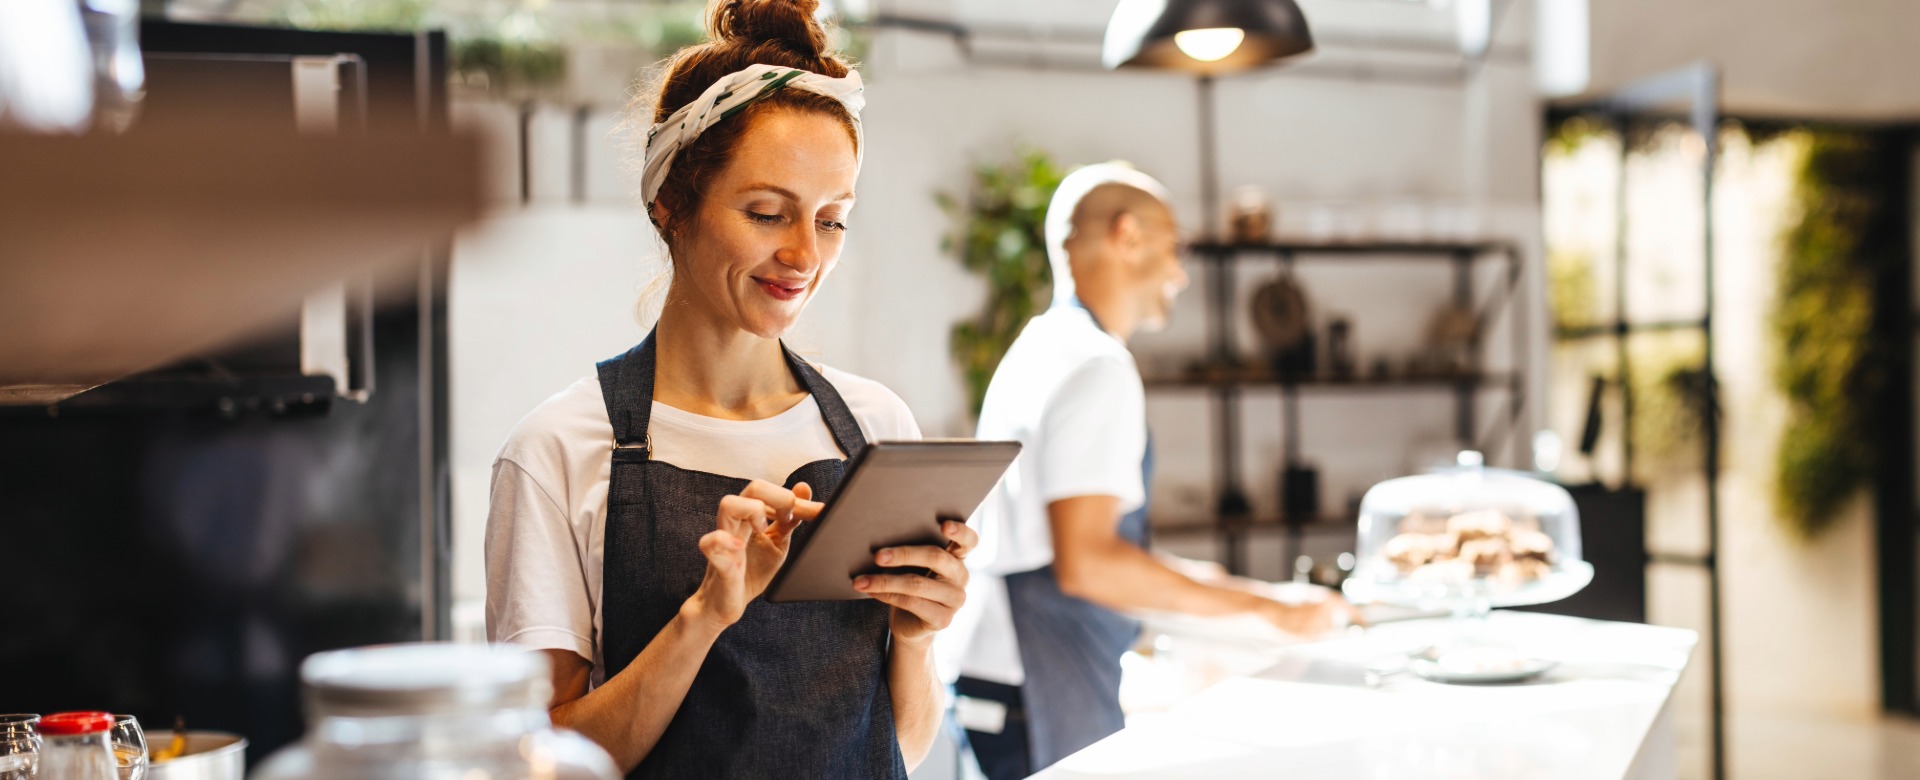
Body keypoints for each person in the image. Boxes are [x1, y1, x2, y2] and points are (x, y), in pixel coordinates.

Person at [483, 2, 975, 776]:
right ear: (670, 203)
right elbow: (536, 766)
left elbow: (897, 750)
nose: (803, 254)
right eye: (767, 212)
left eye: (832, 220)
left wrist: (915, 639)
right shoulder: (558, 450)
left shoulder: (876, 425)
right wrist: (705, 618)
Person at [949, 163, 1358, 779]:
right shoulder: (1098, 365)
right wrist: (1271, 607)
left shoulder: (1038, 346)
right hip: (1038, 684)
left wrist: (1208, 582)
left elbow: (1059, 543)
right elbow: (1088, 562)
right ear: (1128, 235)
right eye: (1176, 247)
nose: (1180, 273)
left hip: (998, 680)